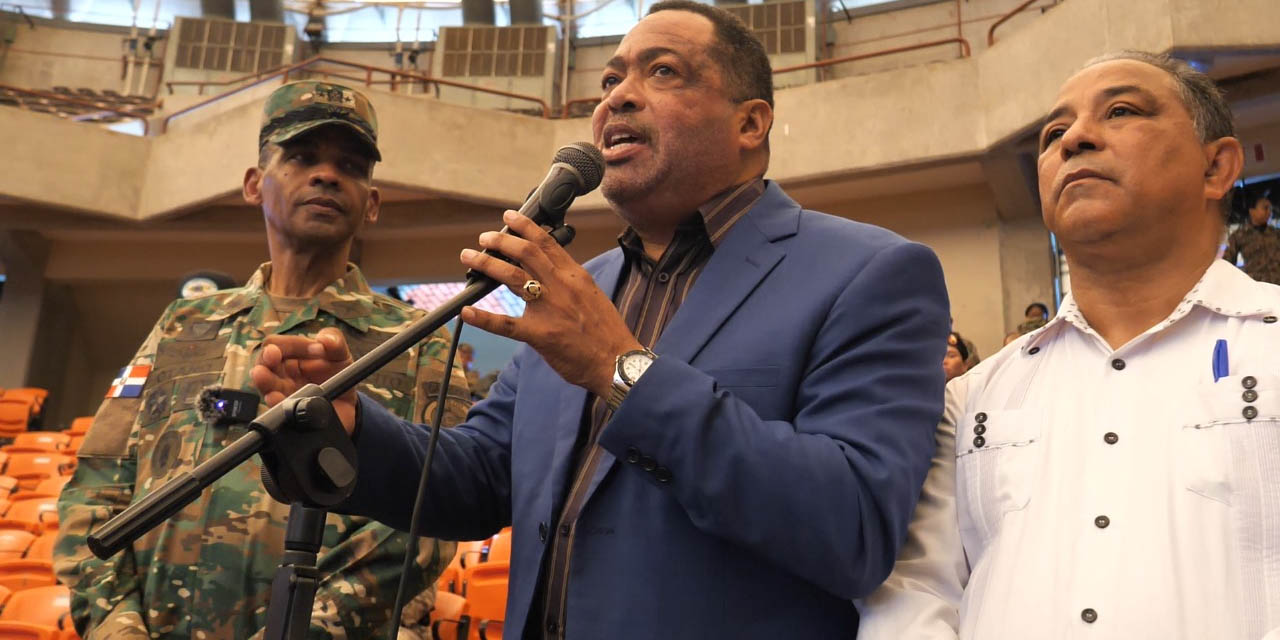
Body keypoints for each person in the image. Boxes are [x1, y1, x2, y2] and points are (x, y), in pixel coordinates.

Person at [251, 2, 951, 637]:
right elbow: (482, 476)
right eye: (611, 79)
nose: (617, 95)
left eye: (663, 71)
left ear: (750, 123)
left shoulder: (870, 274)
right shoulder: (581, 289)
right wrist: (353, 429)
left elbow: (853, 527)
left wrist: (621, 371)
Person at [856, 51, 1280, 639]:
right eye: (1055, 133)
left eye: (1121, 111)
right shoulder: (973, 399)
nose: (1075, 138)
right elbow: (916, 591)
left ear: (1216, 167)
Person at [53, 81, 470, 640]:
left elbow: (423, 521)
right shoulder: (183, 324)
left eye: (350, 165)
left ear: (372, 204)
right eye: (301, 157)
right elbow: (99, 483)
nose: (326, 175)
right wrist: (116, 626)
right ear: (254, 184)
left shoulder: (418, 341)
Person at [1223, 189, 1279, 284]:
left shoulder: (1276, 233)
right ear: (1252, 211)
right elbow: (1227, 263)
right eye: (1265, 208)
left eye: (1270, 209)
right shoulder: (1239, 235)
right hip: (1256, 287)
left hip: (1277, 287)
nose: (1269, 212)